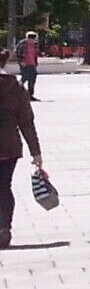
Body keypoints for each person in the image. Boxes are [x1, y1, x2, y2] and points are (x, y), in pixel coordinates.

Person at [0, 58, 41, 246]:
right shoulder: (15, 87)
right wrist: (36, 152)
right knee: (4, 187)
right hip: (9, 146)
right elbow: (26, 122)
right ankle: (4, 229)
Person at [15, 30, 40, 101]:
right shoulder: (22, 43)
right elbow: (17, 53)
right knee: (25, 78)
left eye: (33, 38)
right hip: (25, 64)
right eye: (30, 38)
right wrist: (21, 61)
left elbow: (35, 54)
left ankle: (30, 95)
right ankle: (16, 91)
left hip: (32, 64)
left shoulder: (35, 44)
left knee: (32, 79)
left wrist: (35, 62)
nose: (32, 40)